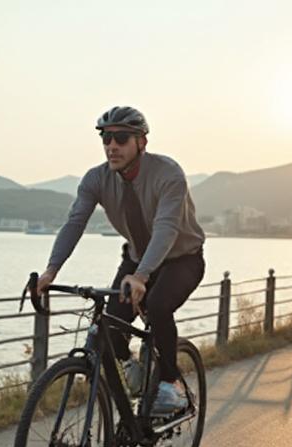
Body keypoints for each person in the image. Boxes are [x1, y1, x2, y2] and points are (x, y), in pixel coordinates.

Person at [36, 106, 206, 416]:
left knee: (157, 307)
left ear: (141, 141)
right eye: (106, 138)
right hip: (137, 260)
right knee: (108, 327)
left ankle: (171, 385)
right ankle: (132, 368)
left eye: (122, 138)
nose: (112, 146)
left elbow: (166, 227)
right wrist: (51, 270)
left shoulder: (168, 174)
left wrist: (142, 276)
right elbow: (75, 223)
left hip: (181, 259)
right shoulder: (95, 179)